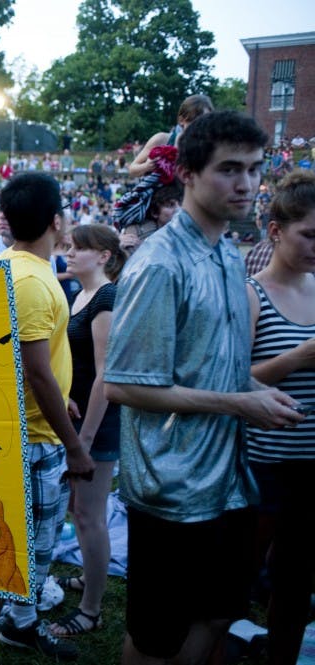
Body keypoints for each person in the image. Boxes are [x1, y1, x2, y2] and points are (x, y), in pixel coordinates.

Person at [103, 111, 305, 665]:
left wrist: (253, 388)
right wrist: (241, 402)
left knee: (219, 612)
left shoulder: (223, 250)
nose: (246, 184)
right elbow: (122, 385)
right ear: (188, 174)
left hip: (227, 481)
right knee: (155, 637)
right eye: (229, 169)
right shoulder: (160, 263)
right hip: (171, 487)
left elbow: (205, 364)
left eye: (255, 169)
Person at [0, 173, 94, 665]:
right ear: (56, 221)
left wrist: (63, 397)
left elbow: (14, 361)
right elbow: (37, 371)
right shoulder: (35, 282)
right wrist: (74, 446)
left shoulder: (4, 267)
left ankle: (21, 624)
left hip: (23, 426)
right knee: (18, 551)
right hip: (33, 438)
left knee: (31, 548)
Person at [243, 170, 315, 665]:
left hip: (312, 468)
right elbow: (232, 381)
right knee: (237, 583)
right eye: (308, 234)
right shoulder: (251, 294)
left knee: (296, 585)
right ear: (275, 231)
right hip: (262, 468)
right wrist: (296, 359)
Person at [49, 225, 126, 637]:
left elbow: (105, 377)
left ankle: (91, 609)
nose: (70, 253)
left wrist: (86, 439)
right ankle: (86, 579)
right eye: (70, 246)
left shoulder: (107, 298)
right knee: (80, 511)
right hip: (79, 419)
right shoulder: (79, 293)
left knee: (90, 516)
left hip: (97, 424)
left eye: (80, 248)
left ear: (104, 256)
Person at [128, 94, 213, 179]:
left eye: (205, 122)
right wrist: (147, 166)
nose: (199, 127)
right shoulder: (162, 140)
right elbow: (132, 170)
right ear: (181, 120)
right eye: (193, 122)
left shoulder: (210, 147)